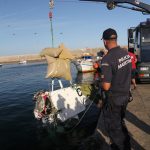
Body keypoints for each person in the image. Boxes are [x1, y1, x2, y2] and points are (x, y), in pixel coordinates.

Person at [100, 28, 132, 150]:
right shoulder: (126, 54)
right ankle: (127, 145)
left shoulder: (107, 59)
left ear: (105, 41)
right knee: (121, 122)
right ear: (115, 39)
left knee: (115, 128)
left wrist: (100, 82)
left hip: (115, 100)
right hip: (125, 96)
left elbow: (106, 86)